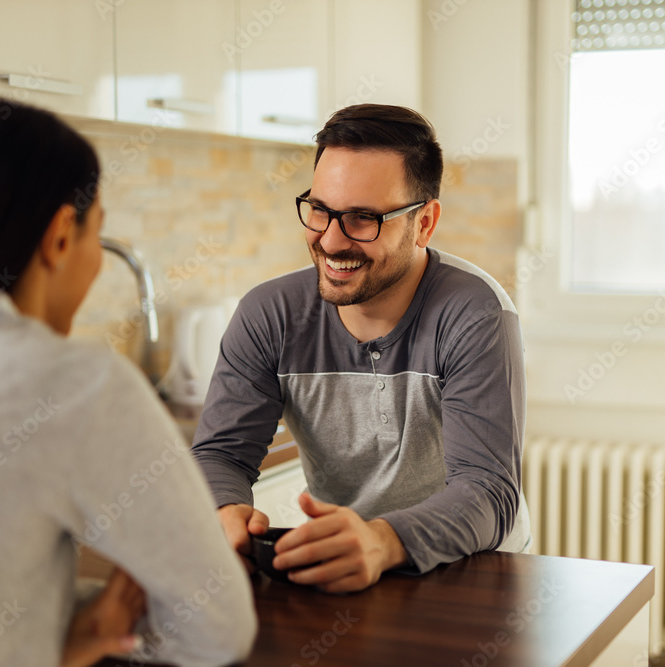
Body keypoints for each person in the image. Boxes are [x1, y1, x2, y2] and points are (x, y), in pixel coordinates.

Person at [0, 99, 256, 666]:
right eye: (96, 235)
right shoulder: (72, 382)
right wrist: (102, 625)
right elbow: (219, 628)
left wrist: (62, 638)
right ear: (61, 235)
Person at [192, 104, 531, 593]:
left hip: (473, 575)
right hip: (345, 574)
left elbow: (487, 491)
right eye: (320, 210)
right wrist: (225, 510)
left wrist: (381, 540)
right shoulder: (269, 315)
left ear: (425, 222)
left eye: (362, 219)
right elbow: (222, 453)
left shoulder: (476, 314)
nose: (331, 241)